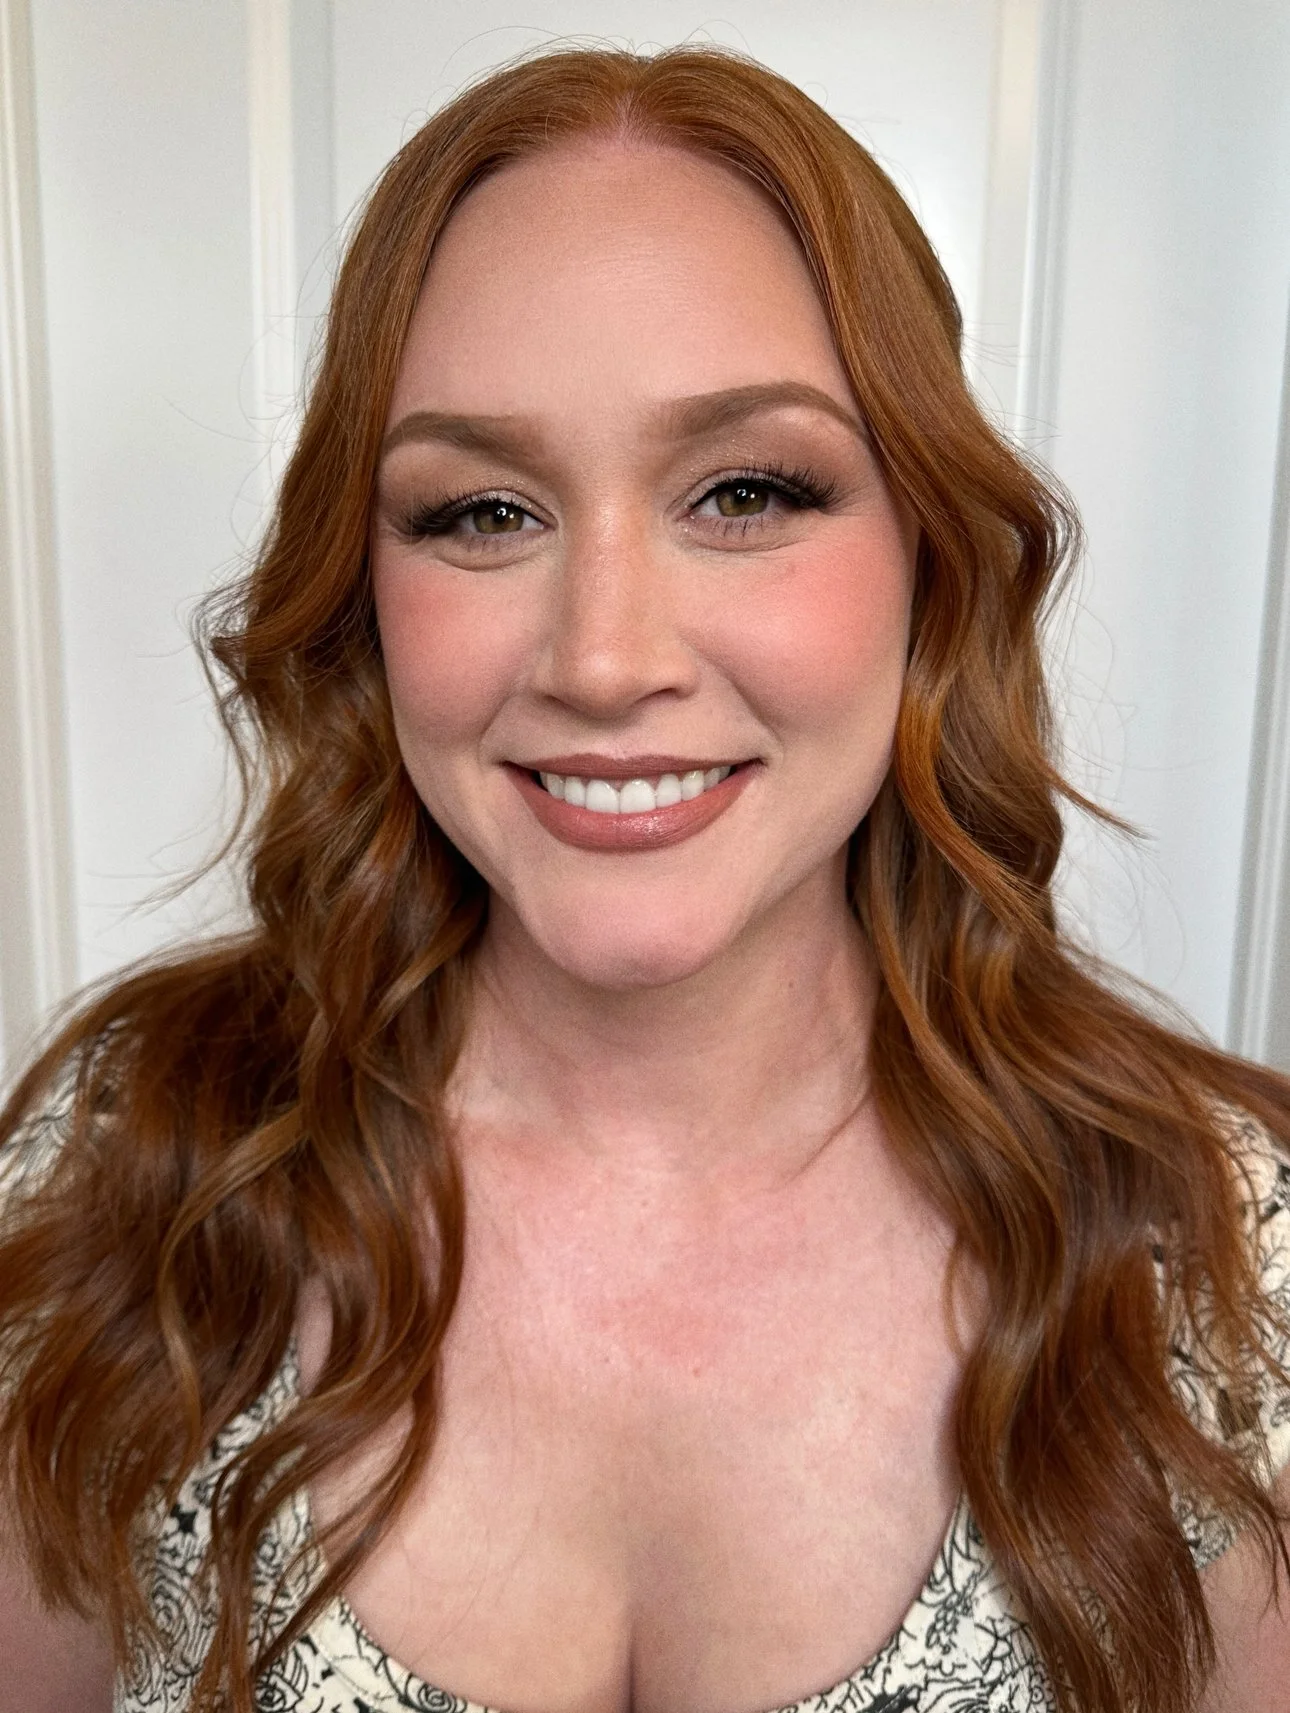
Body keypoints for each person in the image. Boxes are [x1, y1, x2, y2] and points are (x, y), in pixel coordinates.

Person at [2, 41, 1289, 1713]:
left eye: (746, 492)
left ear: (932, 559)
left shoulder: (1223, 1252)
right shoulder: (123, 1168)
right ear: (360, 585)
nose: (604, 660)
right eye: (478, 512)